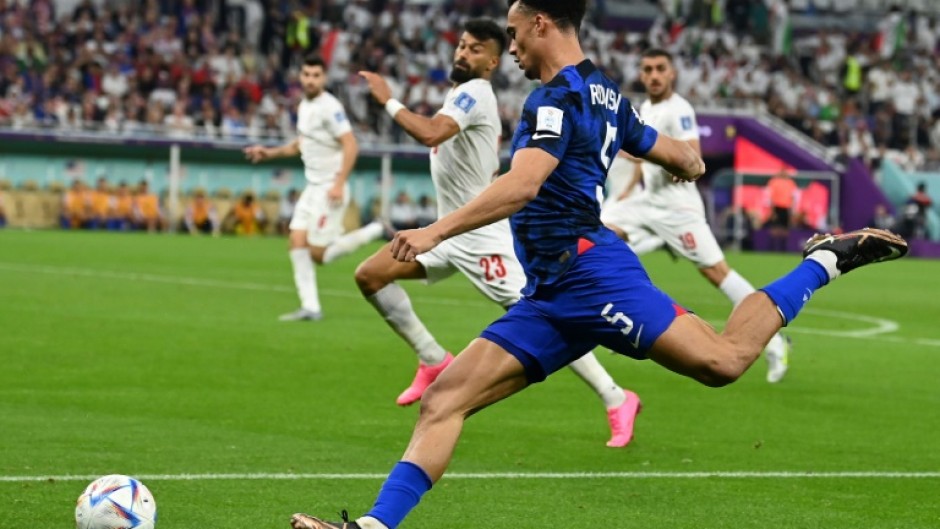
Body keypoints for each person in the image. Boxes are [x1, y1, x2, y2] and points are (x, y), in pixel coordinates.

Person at [289, 2, 908, 529]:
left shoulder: (553, 99)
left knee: (723, 362)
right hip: (552, 289)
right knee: (444, 401)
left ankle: (825, 259)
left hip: (593, 274)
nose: (509, 48)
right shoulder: (607, 91)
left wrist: (435, 229)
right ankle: (373, 525)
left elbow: (524, 183)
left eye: (511, 33)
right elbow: (677, 154)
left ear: (538, 24)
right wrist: (687, 164)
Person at [356, 18, 640, 448]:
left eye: (474, 50)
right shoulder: (460, 93)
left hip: (481, 238)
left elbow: (430, 132)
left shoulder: (475, 93)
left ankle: (617, 397)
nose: (461, 53)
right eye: (461, 45)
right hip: (447, 234)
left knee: (549, 316)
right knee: (371, 275)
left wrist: (388, 101)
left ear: (492, 62)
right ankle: (433, 358)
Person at [600, 48, 791, 384]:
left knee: (717, 272)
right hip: (646, 200)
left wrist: (680, 164)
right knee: (599, 235)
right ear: (641, 75)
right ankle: (625, 319)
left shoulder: (680, 109)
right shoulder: (646, 107)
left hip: (678, 207)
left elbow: (692, 152)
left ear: (672, 73)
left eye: (660, 68)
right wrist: (630, 188)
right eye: (647, 69)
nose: (654, 75)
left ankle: (774, 339)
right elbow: (644, 159)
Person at [244, 54, 389, 322]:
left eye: (316, 76)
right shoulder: (303, 106)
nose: (310, 80)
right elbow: (300, 143)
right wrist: (269, 153)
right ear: (301, 77)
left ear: (323, 78)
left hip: (330, 188)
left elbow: (350, 144)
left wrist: (338, 183)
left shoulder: (329, 107)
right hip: (313, 188)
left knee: (319, 255)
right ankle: (310, 307)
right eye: (306, 75)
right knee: (296, 242)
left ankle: (375, 230)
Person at [765, 169, 798, 252]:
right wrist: (772, 210)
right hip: (777, 207)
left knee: (785, 229)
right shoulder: (774, 182)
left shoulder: (791, 183)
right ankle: (772, 247)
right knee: (775, 229)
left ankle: (783, 248)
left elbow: (793, 197)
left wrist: (792, 210)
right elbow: (770, 196)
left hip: (786, 207)